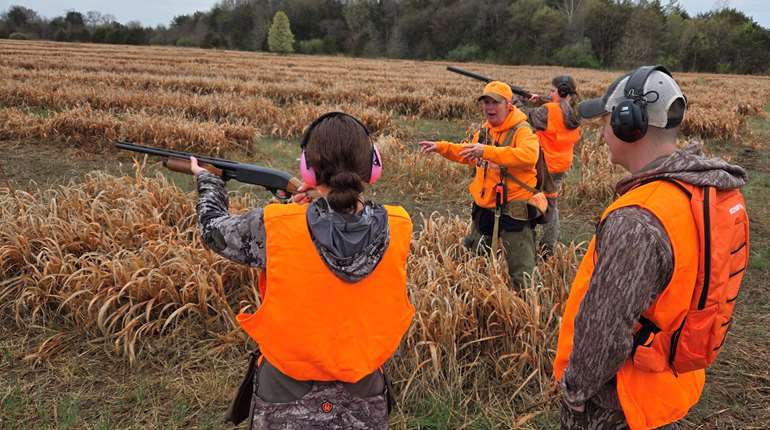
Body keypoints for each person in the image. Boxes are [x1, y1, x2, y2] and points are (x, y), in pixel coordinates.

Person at [553, 66, 749, 429]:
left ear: (631, 124)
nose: (602, 134)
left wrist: (575, 392)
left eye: (607, 121)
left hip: (620, 402)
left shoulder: (639, 218)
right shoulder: (701, 190)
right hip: (668, 386)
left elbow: (604, 330)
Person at [192, 112, 415, 429]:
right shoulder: (399, 225)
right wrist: (320, 205)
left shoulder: (276, 225)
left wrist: (209, 182)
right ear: (372, 166)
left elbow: (213, 230)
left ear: (307, 168)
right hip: (365, 387)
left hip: (285, 389)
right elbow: (347, 224)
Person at [419, 81, 541, 288]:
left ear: (509, 105)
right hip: (485, 205)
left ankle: (531, 310)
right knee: (474, 257)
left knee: (522, 271)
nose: (489, 107)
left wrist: (485, 151)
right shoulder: (485, 132)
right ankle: (478, 298)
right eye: (485, 102)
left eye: (495, 102)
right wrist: (441, 147)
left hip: (515, 208)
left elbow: (529, 156)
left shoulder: (522, 130)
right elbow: (467, 153)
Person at [516, 75, 581, 256]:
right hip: (561, 165)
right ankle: (548, 247)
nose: (549, 93)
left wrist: (515, 98)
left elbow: (525, 116)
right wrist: (539, 100)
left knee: (532, 201)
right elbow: (556, 115)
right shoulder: (575, 111)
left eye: (552, 91)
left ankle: (532, 245)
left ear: (561, 92)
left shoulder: (548, 110)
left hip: (543, 166)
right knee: (552, 204)